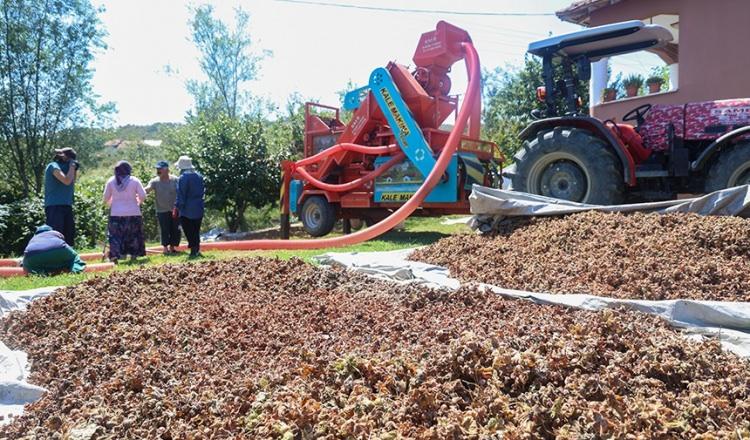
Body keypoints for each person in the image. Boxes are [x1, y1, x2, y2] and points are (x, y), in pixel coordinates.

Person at [103, 161, 147, 263]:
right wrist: (138, 202)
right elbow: (143, 196)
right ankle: (133, 256)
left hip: (116, 213)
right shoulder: (134, 181)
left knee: (116, 236)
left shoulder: (111, 181)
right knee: (133, 235)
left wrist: (112, 204)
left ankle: (116, 256)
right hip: (133, 212)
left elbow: (105, 198)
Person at [43, 148, 79, 246]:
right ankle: (54, 258)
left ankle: (67, 258)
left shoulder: (69, 168)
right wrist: (71, 166)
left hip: (67, 204)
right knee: (56, 235)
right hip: (54, 206)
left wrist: (73, 168)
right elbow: (66, 181)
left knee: (69, 234)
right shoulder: (53, 166)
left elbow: (72, 181)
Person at [145, 160, 181, 254]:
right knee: (164, 229)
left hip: (174, 209)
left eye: (160, 169)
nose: (158, 171)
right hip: (161, 209)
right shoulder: (155, 181)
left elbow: (181, 191)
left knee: (175, 229)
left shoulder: (175, 180)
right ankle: (165, 248)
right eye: (157, 169)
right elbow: (147, 189)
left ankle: (172, 248)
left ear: (166, 170)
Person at [174, 155, 205, 258]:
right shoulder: (199, 176)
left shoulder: (183, 178)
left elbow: (181, 194)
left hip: (187, 208)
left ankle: (193, 249)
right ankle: (197, 248)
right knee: (196, 229)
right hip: (199, 206)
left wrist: (177, 207)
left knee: (188, 229)